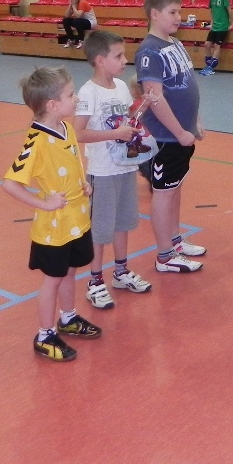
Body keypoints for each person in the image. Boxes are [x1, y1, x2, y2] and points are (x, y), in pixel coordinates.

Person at [1, 67, 101, 362]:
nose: (76, 98)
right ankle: (44, 335)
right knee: (53, 279)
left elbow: (71, 163)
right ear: (53, 105)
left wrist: (82, 183)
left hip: (76, 219)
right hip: (54, 228)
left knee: (69, 271)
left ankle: (68, 318)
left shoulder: (66, 128)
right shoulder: (36, 141)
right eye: (71, 94)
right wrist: (44, 204)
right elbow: (9, 183)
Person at [75, 31, 153, 309]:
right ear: (100, 60)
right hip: (102, 172)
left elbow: (127, 121)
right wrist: (114, 134)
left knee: (123, 222)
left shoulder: (121, 86)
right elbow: (78, 133)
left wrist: (144, 106)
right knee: (100, 229)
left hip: (125, 167)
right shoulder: (88, 92)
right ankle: (95, 280)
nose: (124, 60)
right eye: (118, 56)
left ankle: (121, 271)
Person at [136, 0, 208, 271]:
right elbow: (155, 98)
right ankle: (165, 255)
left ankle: (175, 240)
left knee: (175, 187)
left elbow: (188, 84)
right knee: (164, 192)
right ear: (155, 14)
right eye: (173, 12)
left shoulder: (175, 43)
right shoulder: (149, 51)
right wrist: (178, 132)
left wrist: (195, 120)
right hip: (166, 136)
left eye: (179, 11)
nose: (179, 17)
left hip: (183, 133)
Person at [200, 0, 232, 75]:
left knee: (217, 46)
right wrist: (212, 22)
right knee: (207, 44)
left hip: (222, 26)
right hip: (215, 26)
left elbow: (229, 11)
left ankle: (212, 67)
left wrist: (231, 23)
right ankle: (208, 65)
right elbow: (211, 11)